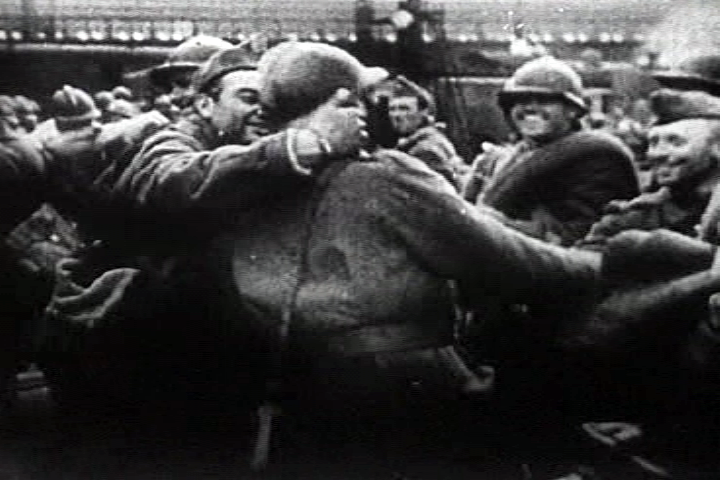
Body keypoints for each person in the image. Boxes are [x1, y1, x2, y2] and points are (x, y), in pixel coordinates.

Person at [163, 42, 602, 461]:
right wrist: (600, 265)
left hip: (295, 387)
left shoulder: (247, 176)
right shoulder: (385, 178)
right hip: (402, 385)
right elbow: (505, 261)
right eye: (364, 100)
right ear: (344, 101)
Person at [41, 45, 369, 414]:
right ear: (204, 106)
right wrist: (304, 144)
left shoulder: (250, 149)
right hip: (137, 352)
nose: (261, 108)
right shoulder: (171, 141)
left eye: (270, 100)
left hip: (194, 349)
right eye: (247, 97)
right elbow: (172, 180)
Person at [462, 56, 639, 246]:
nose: (529, 108)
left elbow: (582, 236)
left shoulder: (597, 158)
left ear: (572, 110)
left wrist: (488, 222)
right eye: (520, 101)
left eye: (544, 100)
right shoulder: (511, 156)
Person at [583, 89, 720, 245]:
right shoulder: (635, 217)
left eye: (675, 142)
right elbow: (591, 261)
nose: (657, 154)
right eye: (653, 142)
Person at [385, 76, 466, 189]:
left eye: (404, 109)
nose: (396, 115)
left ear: (424, 112)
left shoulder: (425, 150)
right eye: (392, 109)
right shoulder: (429, 140)